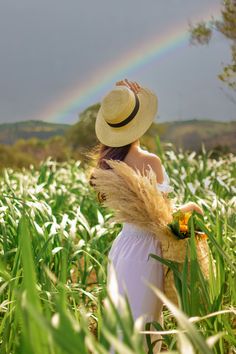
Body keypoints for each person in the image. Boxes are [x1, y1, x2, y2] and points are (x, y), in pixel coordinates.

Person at [89, 79, 203, 353]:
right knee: (147, 328)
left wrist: (122, 99)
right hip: (148, 251)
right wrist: (192, 209)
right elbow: (165, 218)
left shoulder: (107, 163)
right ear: (140, 122)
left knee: (123, 327)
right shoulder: (151, 161)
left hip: (123, 247)